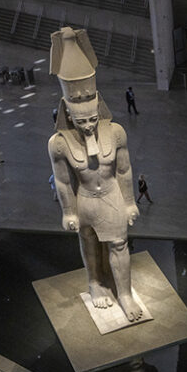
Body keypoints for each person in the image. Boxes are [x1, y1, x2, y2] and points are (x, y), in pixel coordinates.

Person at [48, 27, 144, 323]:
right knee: (89, 242)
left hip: (113, 195)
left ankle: (125, 294)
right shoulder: (59, 143)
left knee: (119, 244)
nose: (88, 126)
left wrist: (129, 202)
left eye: (91, 119)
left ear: (99, 110)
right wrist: (68, 212)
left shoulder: (115, 132)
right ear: (68, 114)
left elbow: (125, 169)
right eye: (80, 120)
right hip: (85, 200)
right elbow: (63, 181)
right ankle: (95, 283)